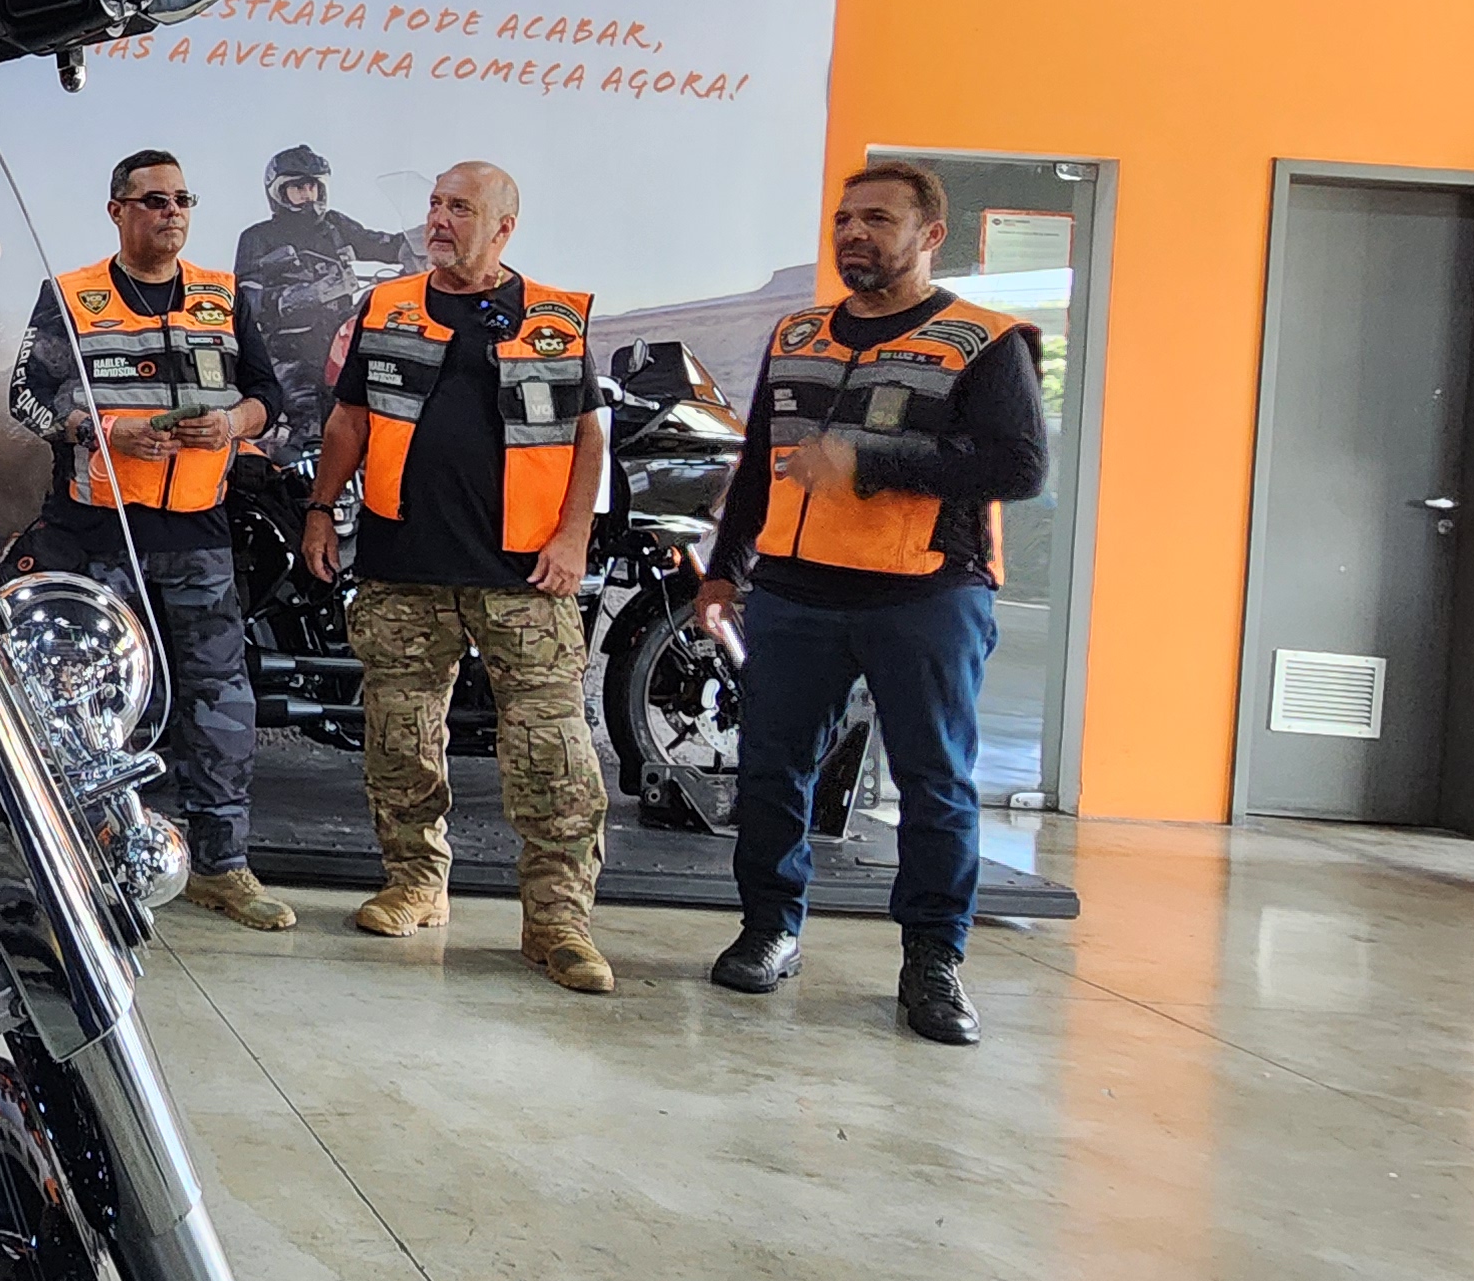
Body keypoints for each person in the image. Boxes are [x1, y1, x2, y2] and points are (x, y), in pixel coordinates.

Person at [696, 162, 1049, 1046]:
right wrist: (723, 571)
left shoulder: (984, 341)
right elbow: (760, 465)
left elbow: (1018, 467)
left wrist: (868, 461)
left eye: (878, 219)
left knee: (935, 785)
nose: (854, 233)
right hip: (794, 593)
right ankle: (769, 929)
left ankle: (933, 959)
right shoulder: (798, 333)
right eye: (845, 219)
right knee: (772, 773)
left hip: (925, 596)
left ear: (930, 236)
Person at [297, 161, 613, 992]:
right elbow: (350, 419)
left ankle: (557, 923)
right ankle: (414, 884)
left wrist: (574, 536)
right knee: (399, 740)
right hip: (405, 566)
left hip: (525, 573)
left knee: (551, 753)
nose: (439, 219)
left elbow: (586, 436)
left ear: (504, 227)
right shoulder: (387, 306)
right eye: (435, 204)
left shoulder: (554, 317)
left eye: (460, 208)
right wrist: (322, 509)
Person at [10, 151, 286, 930]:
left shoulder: (224, 297)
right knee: (93, 701)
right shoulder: (72, 296)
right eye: (155, 200)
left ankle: (222, 866)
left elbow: (268, 396)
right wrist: (98, 429)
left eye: (183, 200)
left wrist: (231, 423)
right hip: (97, 535)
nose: (172, 212)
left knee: (219, 695)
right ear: (119, 210)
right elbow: (25, 398)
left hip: (199, 533)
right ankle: (91, 863)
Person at [232, 142, 415, 446]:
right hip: (292, 350)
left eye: (312, 186)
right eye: (298, 188)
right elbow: (246, 301)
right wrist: (306, 295)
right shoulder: (258, 237)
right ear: (278, 192)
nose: (308, 194)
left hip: (343, 340)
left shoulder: (334, 225)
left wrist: (428, 241)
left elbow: (382, 244)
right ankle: (303, 467)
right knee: (309, 419)